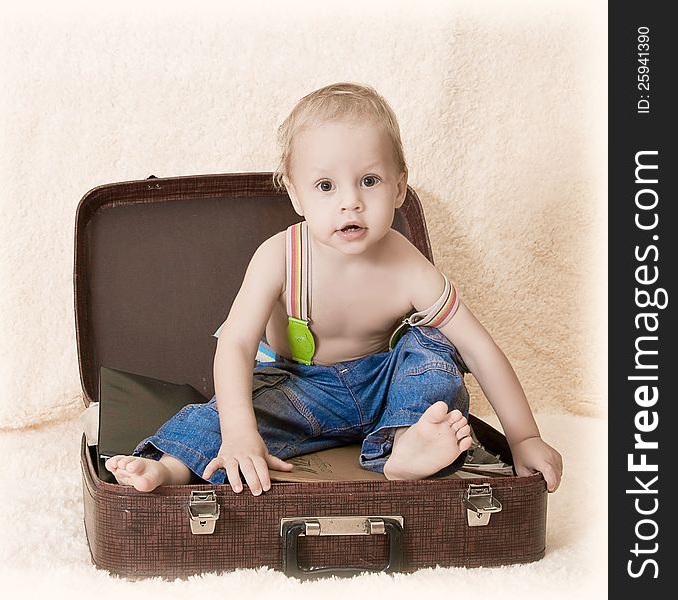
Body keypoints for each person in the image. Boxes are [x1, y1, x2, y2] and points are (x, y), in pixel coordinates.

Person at [106, 82, 563, 495]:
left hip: (388, 386)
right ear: (296, 194)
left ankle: (406, 445)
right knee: (227, 415)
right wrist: (241, 431)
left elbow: (479, 348)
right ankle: (169, 470)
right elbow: (237, 343)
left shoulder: (407, 263)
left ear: (400, 187)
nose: (351, 201)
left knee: (434, 350)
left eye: (370, 180)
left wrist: (524, 438)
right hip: (301, 388)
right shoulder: (279, 256)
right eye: (325, 185)